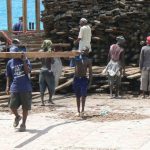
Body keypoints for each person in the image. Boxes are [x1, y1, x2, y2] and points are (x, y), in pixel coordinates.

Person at [5, 39, 32, 132]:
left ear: (17, 53)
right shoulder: (10, 62)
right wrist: (7, 86)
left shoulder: (25, 60)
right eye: (11, 53)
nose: (13, 55)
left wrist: (24, 60)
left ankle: (23, 124)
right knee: (12, 106)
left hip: (25, 87)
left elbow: (27, 71)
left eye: (14, 53)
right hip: (15, 87)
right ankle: (17, 116)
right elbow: (8, 75)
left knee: (25, 107)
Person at [73, 47, 92, 117]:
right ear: (81, 51)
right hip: (76, 79)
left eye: (86, 51)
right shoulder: (77, 58)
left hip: (84, 79)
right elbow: (70, 57)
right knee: (77, 96)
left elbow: (90, 72)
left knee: (83, 96)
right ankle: (78, 111)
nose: (84, 52)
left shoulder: (88, 60)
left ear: (88, 52)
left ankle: (82, 110)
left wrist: (90, 82)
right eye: (83, 50)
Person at [39, 39, 55, 106]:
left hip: (42, 70)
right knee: (51, 86)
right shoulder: (50, 52)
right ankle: (50, 99)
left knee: (42, 86)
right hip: (48, 70)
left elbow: (38, 58)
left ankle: (42, 102)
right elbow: (52, 62)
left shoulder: (40, 51)